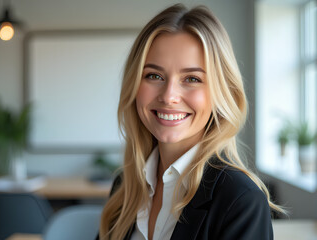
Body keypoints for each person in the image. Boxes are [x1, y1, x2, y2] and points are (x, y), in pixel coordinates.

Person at [97, 4, 284, 240]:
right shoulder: (125, 186)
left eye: (192, 78)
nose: (168, 96)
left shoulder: (240, 200)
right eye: (154, 75)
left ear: (220, 92)